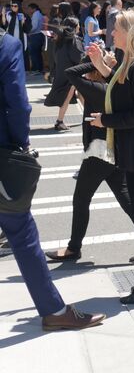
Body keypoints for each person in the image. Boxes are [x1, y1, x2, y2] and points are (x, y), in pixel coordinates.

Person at [0, 28, 105, 331]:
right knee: (22, 232)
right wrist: (22, 145)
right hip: (3, 150)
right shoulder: (5, 45)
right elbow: (18, 104)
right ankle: (53, 309)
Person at [87, 8, 134, 304]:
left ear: (130, 33)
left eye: (116, 28)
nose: (111, 33)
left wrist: (106, 122)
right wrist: (101, 68)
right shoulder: (131, 64)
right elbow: (123, 92)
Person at [45, 55, 134, 262]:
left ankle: (73, 249)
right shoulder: (112, 89)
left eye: (89, 70)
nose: (85, 74)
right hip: (112, 150)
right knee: (128, 201)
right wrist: (102, 63)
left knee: (81, 199)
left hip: (99, 152)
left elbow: (70, 73)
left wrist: (97, 61)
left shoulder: (97, 89)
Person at [44, 17, 83, 132]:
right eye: (78, 25)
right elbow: (78, 57)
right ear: (74, 27)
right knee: (67, 96)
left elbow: (54, 57)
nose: (79, 27)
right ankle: (59, 121)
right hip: (72, 73)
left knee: (81, 94)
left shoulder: (59, 39)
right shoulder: (74, 40)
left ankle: (90, 115)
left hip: (62, 71)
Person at [26, 3, 45, 74]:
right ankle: (40, 69)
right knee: (38, 53)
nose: (28, 10)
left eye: (29, 9)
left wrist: (28, 31)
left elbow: (34, 26)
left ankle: (35, 69)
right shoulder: (39, 14)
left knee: (34, 53)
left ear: (34, 9)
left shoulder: (35, 15)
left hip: (35, 36)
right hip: (39, 35)